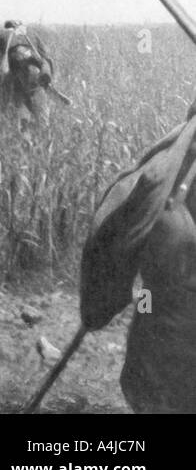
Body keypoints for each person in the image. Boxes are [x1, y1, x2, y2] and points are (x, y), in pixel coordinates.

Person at [80, 104, 196, 412]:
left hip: (164, 321)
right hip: (160, 314)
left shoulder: (171, 163)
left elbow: (128, 242)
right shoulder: (171, 169)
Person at [0, 20, 54, 130]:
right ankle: (42, 133)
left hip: (17, 79)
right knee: (42, 117)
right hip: (36, 77)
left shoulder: (1, 34)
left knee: (19, 108)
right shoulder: (31, 33)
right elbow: (45, 55)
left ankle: (21, 127)